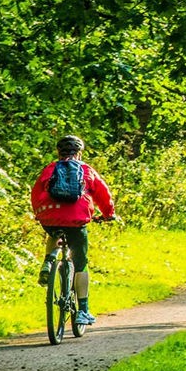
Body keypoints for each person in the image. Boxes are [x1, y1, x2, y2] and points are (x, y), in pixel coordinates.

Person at [30, 135, 115, 326]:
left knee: (54, 233)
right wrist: (108, 214)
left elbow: (36, 193)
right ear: (79, 152)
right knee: (81, 264)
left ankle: (48, 262)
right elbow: (103, 195)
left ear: (58, 152)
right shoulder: (86, 170)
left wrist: (40, 213)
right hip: (76, 220)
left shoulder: (50, 169)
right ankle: (83, 311)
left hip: (49, 217)